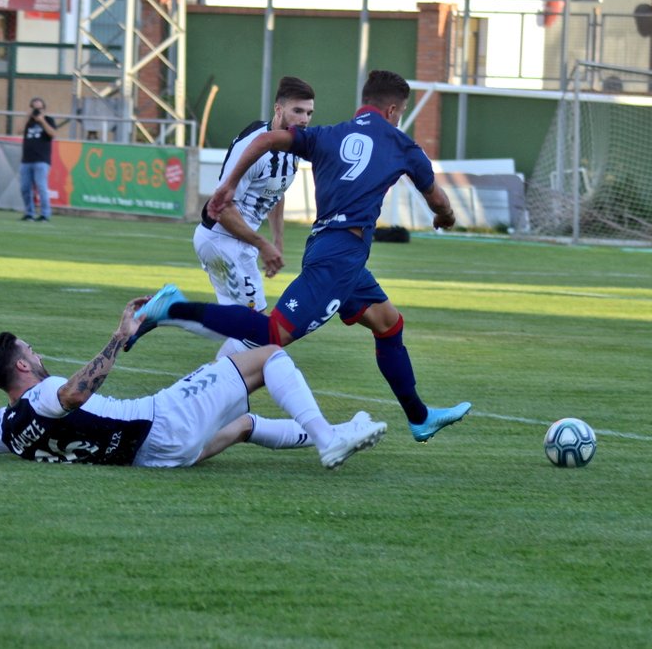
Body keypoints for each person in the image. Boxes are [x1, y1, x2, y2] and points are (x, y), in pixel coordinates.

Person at [131, 70, 472, 444]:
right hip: (338, 256)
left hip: (339, 253)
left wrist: (228, 184)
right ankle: (173, 310)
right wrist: (446, 218)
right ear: (392, 110)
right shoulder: (402, 145)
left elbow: (266, 140)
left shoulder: (328, 135)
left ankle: (419, 417)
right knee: (271, 334)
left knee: (389, 324)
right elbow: (438, 200)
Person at [0, 296, 387, 470]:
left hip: (156, 459)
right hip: (163, 421)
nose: (38, 352)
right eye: (31, 350)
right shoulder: (44, 393)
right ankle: (327, 438)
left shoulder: (4, 426)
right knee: (267, 353)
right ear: (23, 368)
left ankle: (341, 430)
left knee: (245, 416)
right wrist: (119, 338)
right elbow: (75, 393)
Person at [188, 76, 315, 359]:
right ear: (278, 109)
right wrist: (263, 245)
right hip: (220, 241)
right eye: (298, 111)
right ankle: (169, 312)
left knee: (250, 331)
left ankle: (222, 397)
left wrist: (277, 240)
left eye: (309, 113)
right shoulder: (254, 147)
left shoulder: (293, 147)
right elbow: (221, 208)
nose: (304, 119)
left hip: (240, 244)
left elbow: (276, 191)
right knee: (256, 332)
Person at [20, 97, 57, 221]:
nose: (36, 111)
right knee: (25, 188)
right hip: (26, 160)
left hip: (41, 160)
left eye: (39, 108)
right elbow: (18, 131)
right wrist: (27, 117)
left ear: (43, 109)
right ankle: (29, 213)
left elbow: (52, 134)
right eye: (34, 108)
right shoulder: (28, 122)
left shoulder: (49, 120)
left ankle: (45, 214)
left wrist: (42, 121)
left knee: (41, 187)